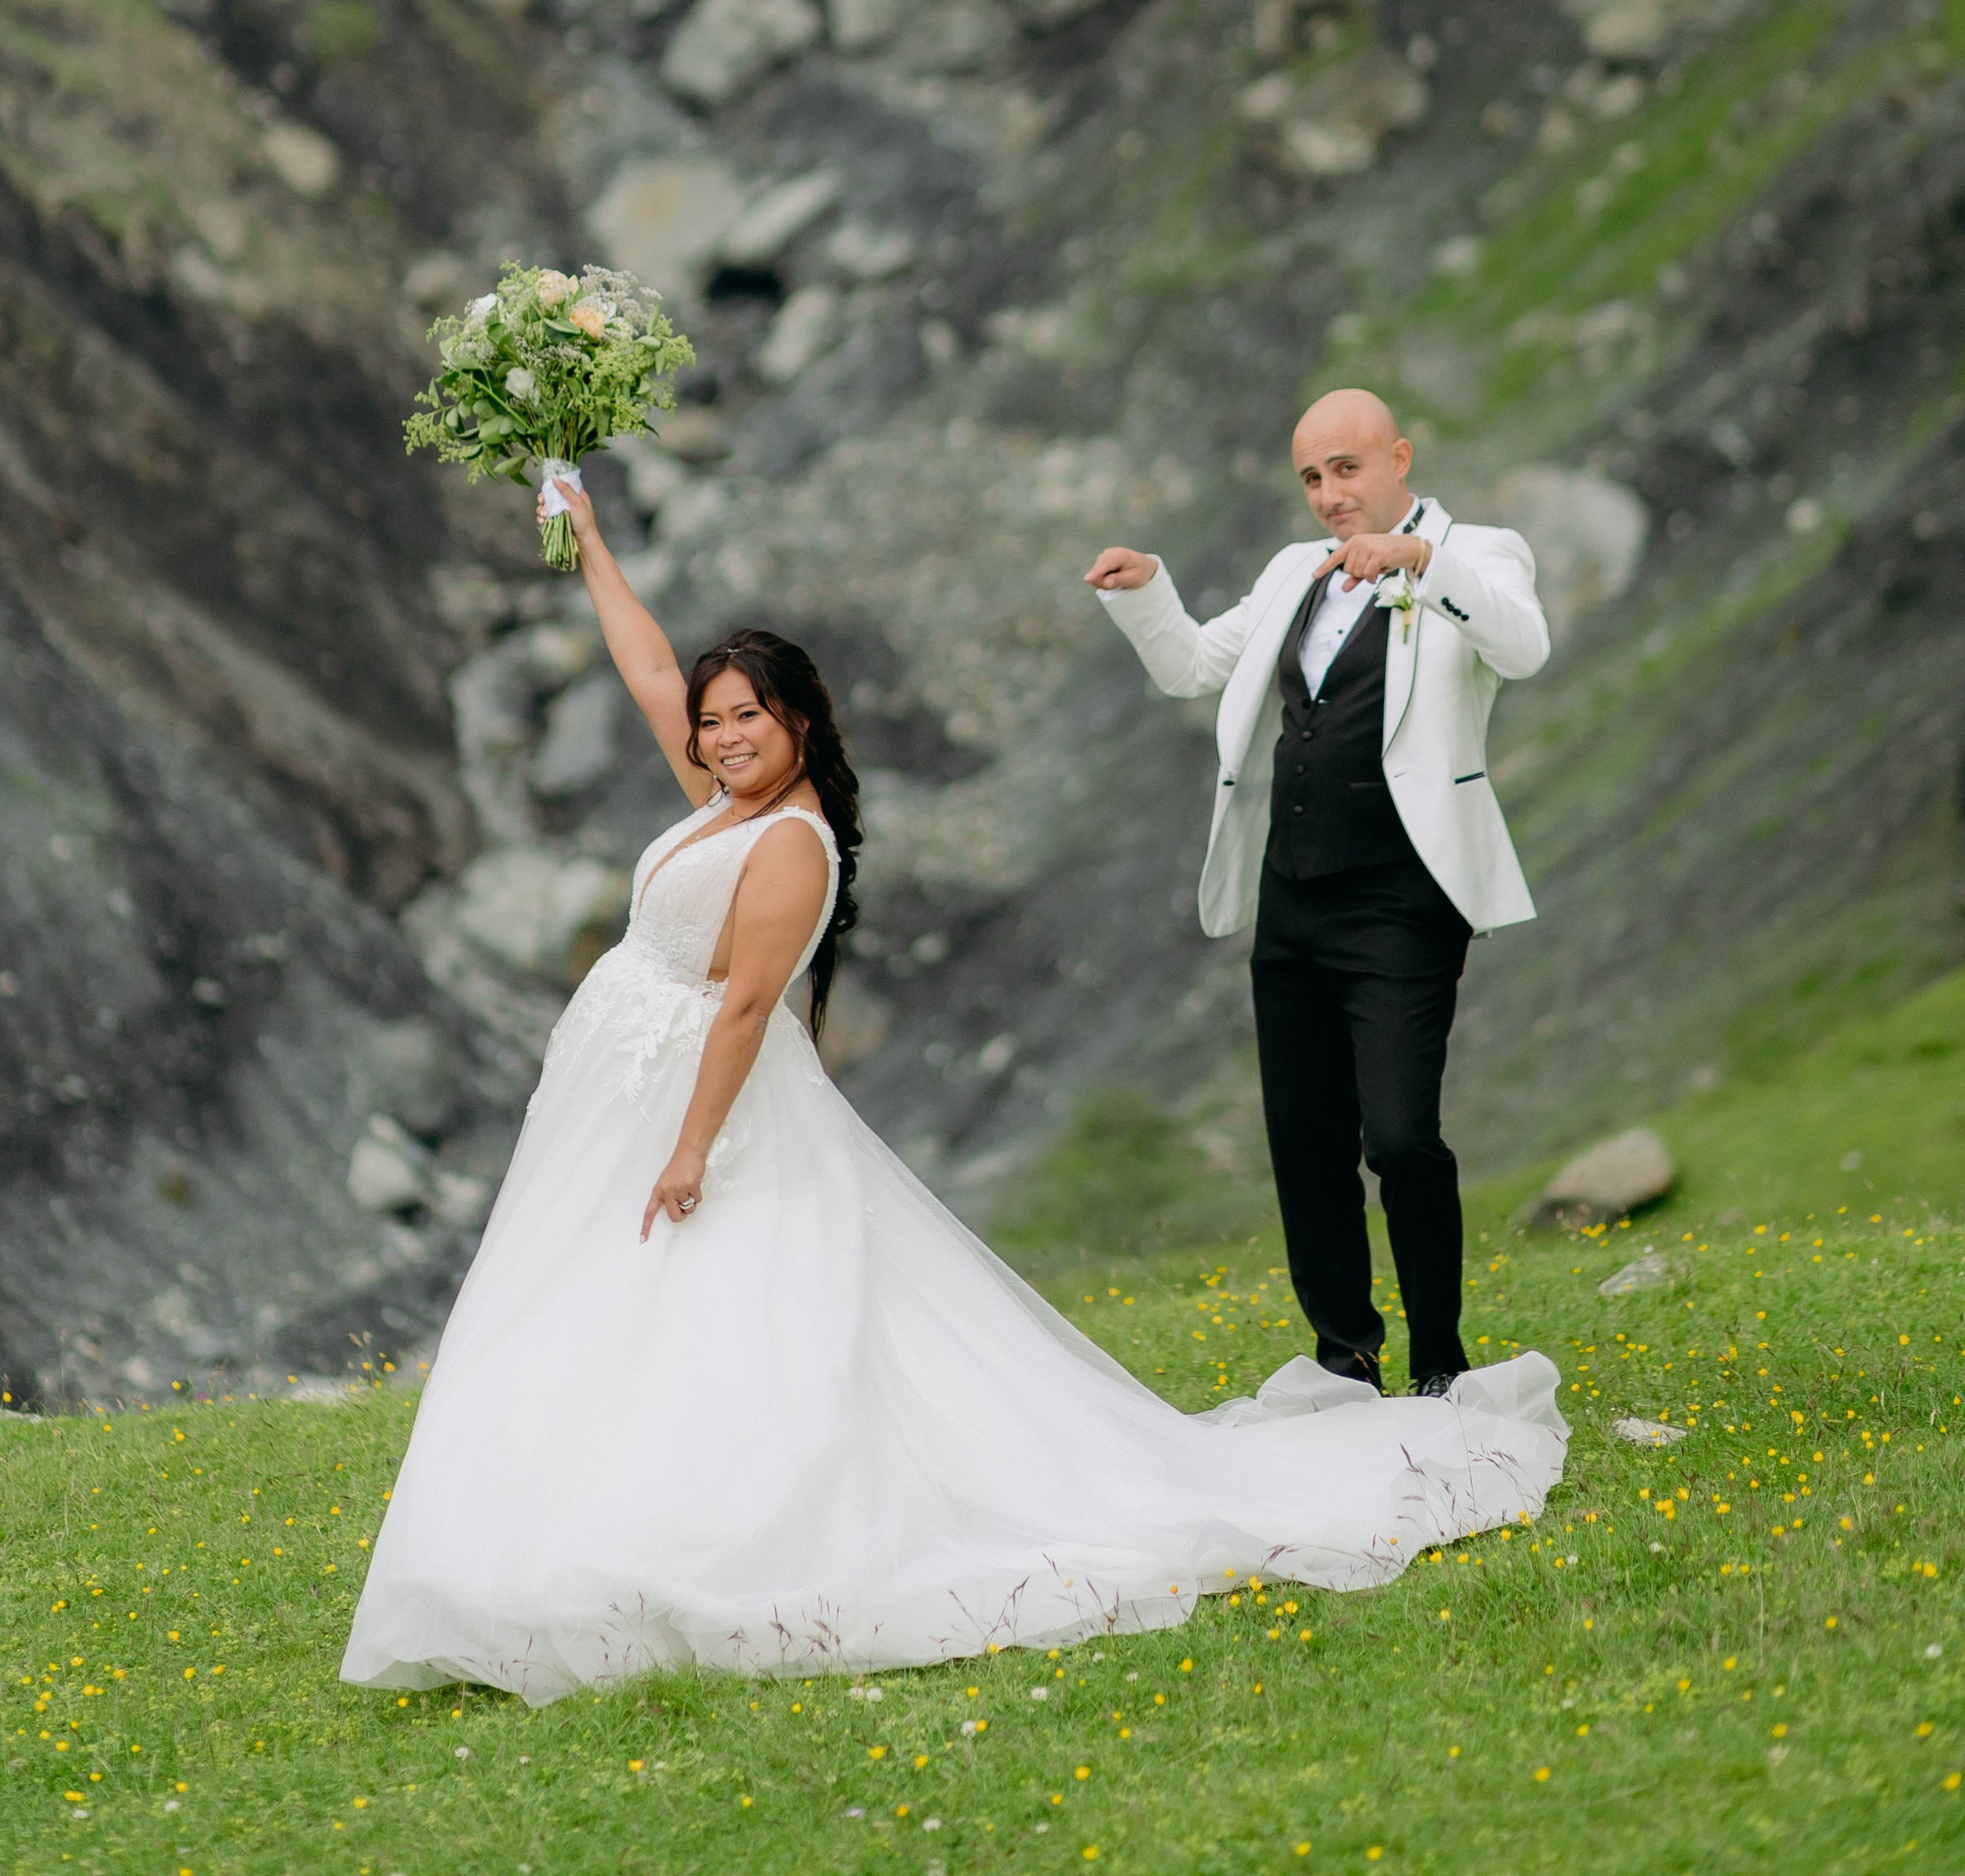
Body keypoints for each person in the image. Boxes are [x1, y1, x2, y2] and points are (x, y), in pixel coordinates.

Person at [342, 460, 1563, 1706]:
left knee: (719, 1306)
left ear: (800, 723)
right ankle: (560, 1524)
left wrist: (691, 1146)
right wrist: (592, 541)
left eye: (747, 717)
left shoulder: (789, 842)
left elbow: (752, 1008)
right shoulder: (714, 796)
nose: (720, 737)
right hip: (616, 1092)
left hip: (694, 1102)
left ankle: (682, 1538)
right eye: (712, 723)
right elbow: (651, 668)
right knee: (592, 1301)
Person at [1086, 390, 1547, 1398]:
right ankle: (1345, 1354)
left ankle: (1437, 1354)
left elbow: (1524, 644)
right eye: (1311, 477)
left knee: (1399, 1137)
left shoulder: (1480, 550)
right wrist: (1147, 589)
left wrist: (1423, 564)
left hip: (1401, 898)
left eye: (1346, 469)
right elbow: (1194, 667)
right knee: (1305, 1141)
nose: (1330, 496)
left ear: (1397, 457)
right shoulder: (1293, 572)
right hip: (1292, 896)